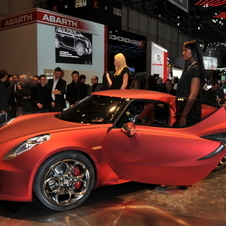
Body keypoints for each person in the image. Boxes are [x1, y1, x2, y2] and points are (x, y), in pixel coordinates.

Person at [176, 39, 205, 127]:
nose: (183, 53)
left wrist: (184, 115)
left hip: (190, 112)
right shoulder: (190, 67)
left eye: (185, 50)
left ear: (193, 51)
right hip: (186, 109)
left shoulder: (195, 68)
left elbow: (193, 94)